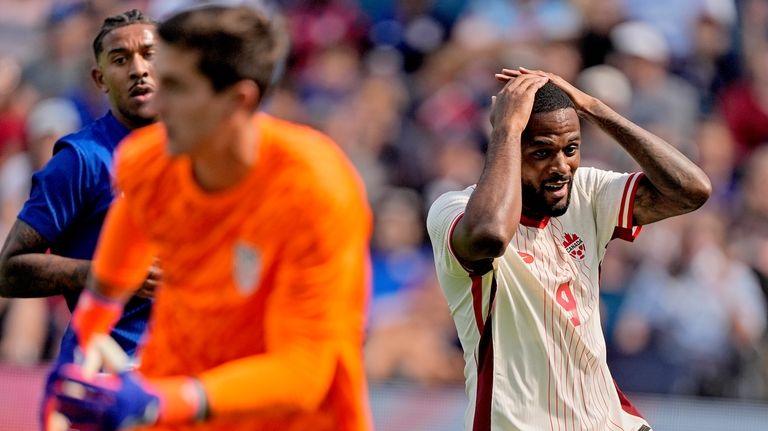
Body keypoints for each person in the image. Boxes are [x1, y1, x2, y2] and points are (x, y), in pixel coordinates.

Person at [51, 5, 373, 431]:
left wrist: (163, 400)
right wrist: (78, 363)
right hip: (173, 408)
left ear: (239, 100)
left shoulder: (317, 190)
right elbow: (112, 279)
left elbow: (304, 371)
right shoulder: (147, 160)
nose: (154, 99)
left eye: (176, 87)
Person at [426, 67, 711, 430]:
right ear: (509, 148)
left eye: (571, 149)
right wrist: (507, 129)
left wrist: (594, 109)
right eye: (542, 152)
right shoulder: (454, 211)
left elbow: (691, 191)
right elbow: (491, 235)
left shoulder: (587, 194)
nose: (562, 167)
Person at [0, 8, 160, 427]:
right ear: (100, 79)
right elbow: (9, 270)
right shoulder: (81, 159)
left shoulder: (200, 155)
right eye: (120, 60)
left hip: (178, 375)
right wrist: (112, 274)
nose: (139, 69)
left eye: (150, 54)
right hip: (100, 377)